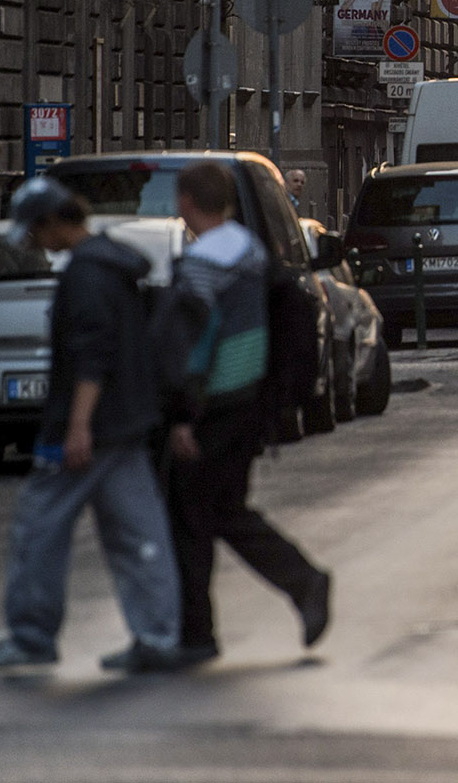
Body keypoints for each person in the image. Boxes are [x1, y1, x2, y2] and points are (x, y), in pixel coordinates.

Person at [0, 178, 182, 673]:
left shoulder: (85, 276)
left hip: (89, 428)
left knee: (38, 530)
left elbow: (91, 356)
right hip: (128, 422)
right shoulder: (114, 264)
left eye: (36, 232)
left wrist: (77, 427)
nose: (37, 244)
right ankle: (157, 634)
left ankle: (31, 635)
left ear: (53, 222)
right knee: (139, 534)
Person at [166, 161, 330, 666]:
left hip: (215, 403)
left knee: (192, 513)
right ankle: (297, 586)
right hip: (250, 398)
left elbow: (193, 347)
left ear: (188, 203)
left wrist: (181, 416)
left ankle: (199, 632)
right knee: (221, 509)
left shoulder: (202, 264)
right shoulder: (252, 251)